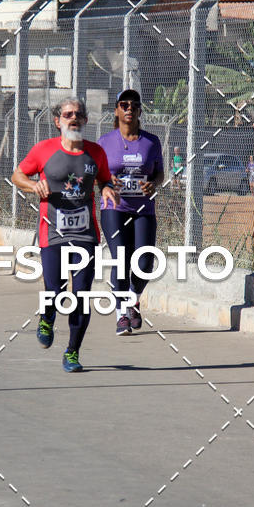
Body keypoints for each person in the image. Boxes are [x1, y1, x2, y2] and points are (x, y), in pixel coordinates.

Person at [11, 96, 118, 373]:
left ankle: (72, 351)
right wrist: (33, 185)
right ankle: (47, 318)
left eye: (78, 114)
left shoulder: (96, 153)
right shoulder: (43, 150)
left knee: (81, 295)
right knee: (55, 290)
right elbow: (17, 175)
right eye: (68, 114)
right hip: (53, 235)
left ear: (84, 120)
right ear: (58, 121)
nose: (73, 118)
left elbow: (105, 178)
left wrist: (106, 188)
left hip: (85, 235)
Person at [98, 89, 164, 336]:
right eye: (124, 104)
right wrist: (106, 183)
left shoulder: (151, 141)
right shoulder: (105, 142)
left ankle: (133, 300)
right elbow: (98, 176)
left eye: (134, 105)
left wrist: (153, 184)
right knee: (121, 258)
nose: (129, 108)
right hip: (115, 207)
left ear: (139, 111)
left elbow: (159, 173)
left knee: (145, 262)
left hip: (143, 208)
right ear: (116, 110)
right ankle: (121, 315)